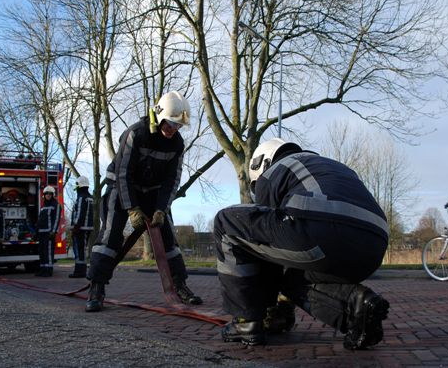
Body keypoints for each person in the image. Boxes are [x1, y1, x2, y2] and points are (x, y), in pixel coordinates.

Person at [214, 138, 390, 348]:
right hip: (373, 247)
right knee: (294, 280)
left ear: (262, 163)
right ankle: (357, 307)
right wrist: (285, 306)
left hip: (320, 232)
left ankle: (245, 323)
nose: (257, 188)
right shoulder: (332, 167)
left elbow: (265, 251)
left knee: (226, 222)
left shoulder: (274, 171)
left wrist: (266, 311)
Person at [86, 91, 202, 312]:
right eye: (170, 124)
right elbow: (123, 174)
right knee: (110, 236)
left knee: (169, 239)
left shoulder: (177, 144)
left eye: (178, 126)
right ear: (159, 117)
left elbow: (172, 180)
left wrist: (161, 209)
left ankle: (180, 285)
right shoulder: (135, 134)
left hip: (152, 193)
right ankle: (96, 288)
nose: (173, 130)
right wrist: (132, 208)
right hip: (120, 189)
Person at [69, 176, 94, 278]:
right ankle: (81, 270)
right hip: (88, 227)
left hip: (80, 228)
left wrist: (76, 227)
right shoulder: (90, 197)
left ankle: (79, 271)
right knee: (83, 249)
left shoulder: (81, 198)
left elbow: (80, 213)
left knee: (79, 249)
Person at [35, 186, 61, 277]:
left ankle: (49, 270)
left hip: (49, 233)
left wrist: (53, 232)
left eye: (50, 194)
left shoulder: (56, 205)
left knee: (48, 252)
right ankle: (42, 269)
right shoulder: (43, 206)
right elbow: (40, 220)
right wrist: (36, 231)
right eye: (46, 194)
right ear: (44, 195)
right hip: (41, 232)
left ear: (52, 195)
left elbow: (57, 219)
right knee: (41, 252)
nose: (48, 195)